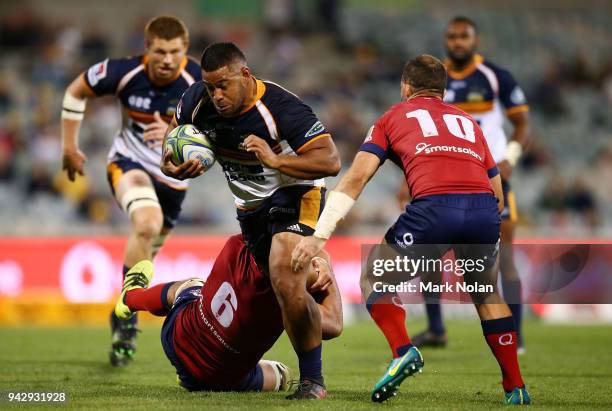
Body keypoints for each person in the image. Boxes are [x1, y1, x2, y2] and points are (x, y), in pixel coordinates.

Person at [292, 55, 530, 405]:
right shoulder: (468, 122)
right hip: (483, 210)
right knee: (487, 294)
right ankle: (516, 387)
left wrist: (319, 235)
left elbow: (356, 178)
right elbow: (496, 192)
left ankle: (403, 350)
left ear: (406, 87)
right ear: (443, 90)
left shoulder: (392, 117)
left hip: (434, 208)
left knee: (374, 278)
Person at [160, 42, 341, 399]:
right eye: (210, 87)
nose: (216, 95)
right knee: (298, 301)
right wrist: (173, 165)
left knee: (283, 270)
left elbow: (330, 161)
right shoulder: (196, 102)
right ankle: (324, 282)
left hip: (296, 194)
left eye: (223, 85)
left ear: (245, 74)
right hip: (251, 211)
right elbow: (170, 141)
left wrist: (276, 161)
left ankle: (312, 382)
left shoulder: (281, 108)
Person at [60, 16, 202, 366]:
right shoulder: (123, 72)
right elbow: (76, 91)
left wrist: (177, 134)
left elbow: (224, 129)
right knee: (147, 224)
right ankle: (128, 317)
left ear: (185, 50)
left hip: (174, 180)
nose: (167, 59)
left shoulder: (200, 80)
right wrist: (69, 146)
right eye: (160, 51)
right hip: (128, 163)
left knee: (146, 255)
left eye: (174, 52)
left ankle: (122, 310)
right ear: (147, 49)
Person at [409, 16, 531, 351]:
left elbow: (522, 123)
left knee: (503, 257)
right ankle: (436, 328)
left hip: (492, 178)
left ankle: (515, 335)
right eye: (452, 37)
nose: (458, 42)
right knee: (429, 253)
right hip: (445, 178)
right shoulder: (436, 81)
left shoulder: (495, 76)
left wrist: (510, 158)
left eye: (464, 36)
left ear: (475, 40)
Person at [113, 234, 343, 392]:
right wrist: (326, 268)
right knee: (283, 374)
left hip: (179, 343)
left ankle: (131, 298)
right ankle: (193, 378)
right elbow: (333, 324)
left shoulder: (234, 244)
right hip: (231, 377)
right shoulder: (293, 282)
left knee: (193, 287)